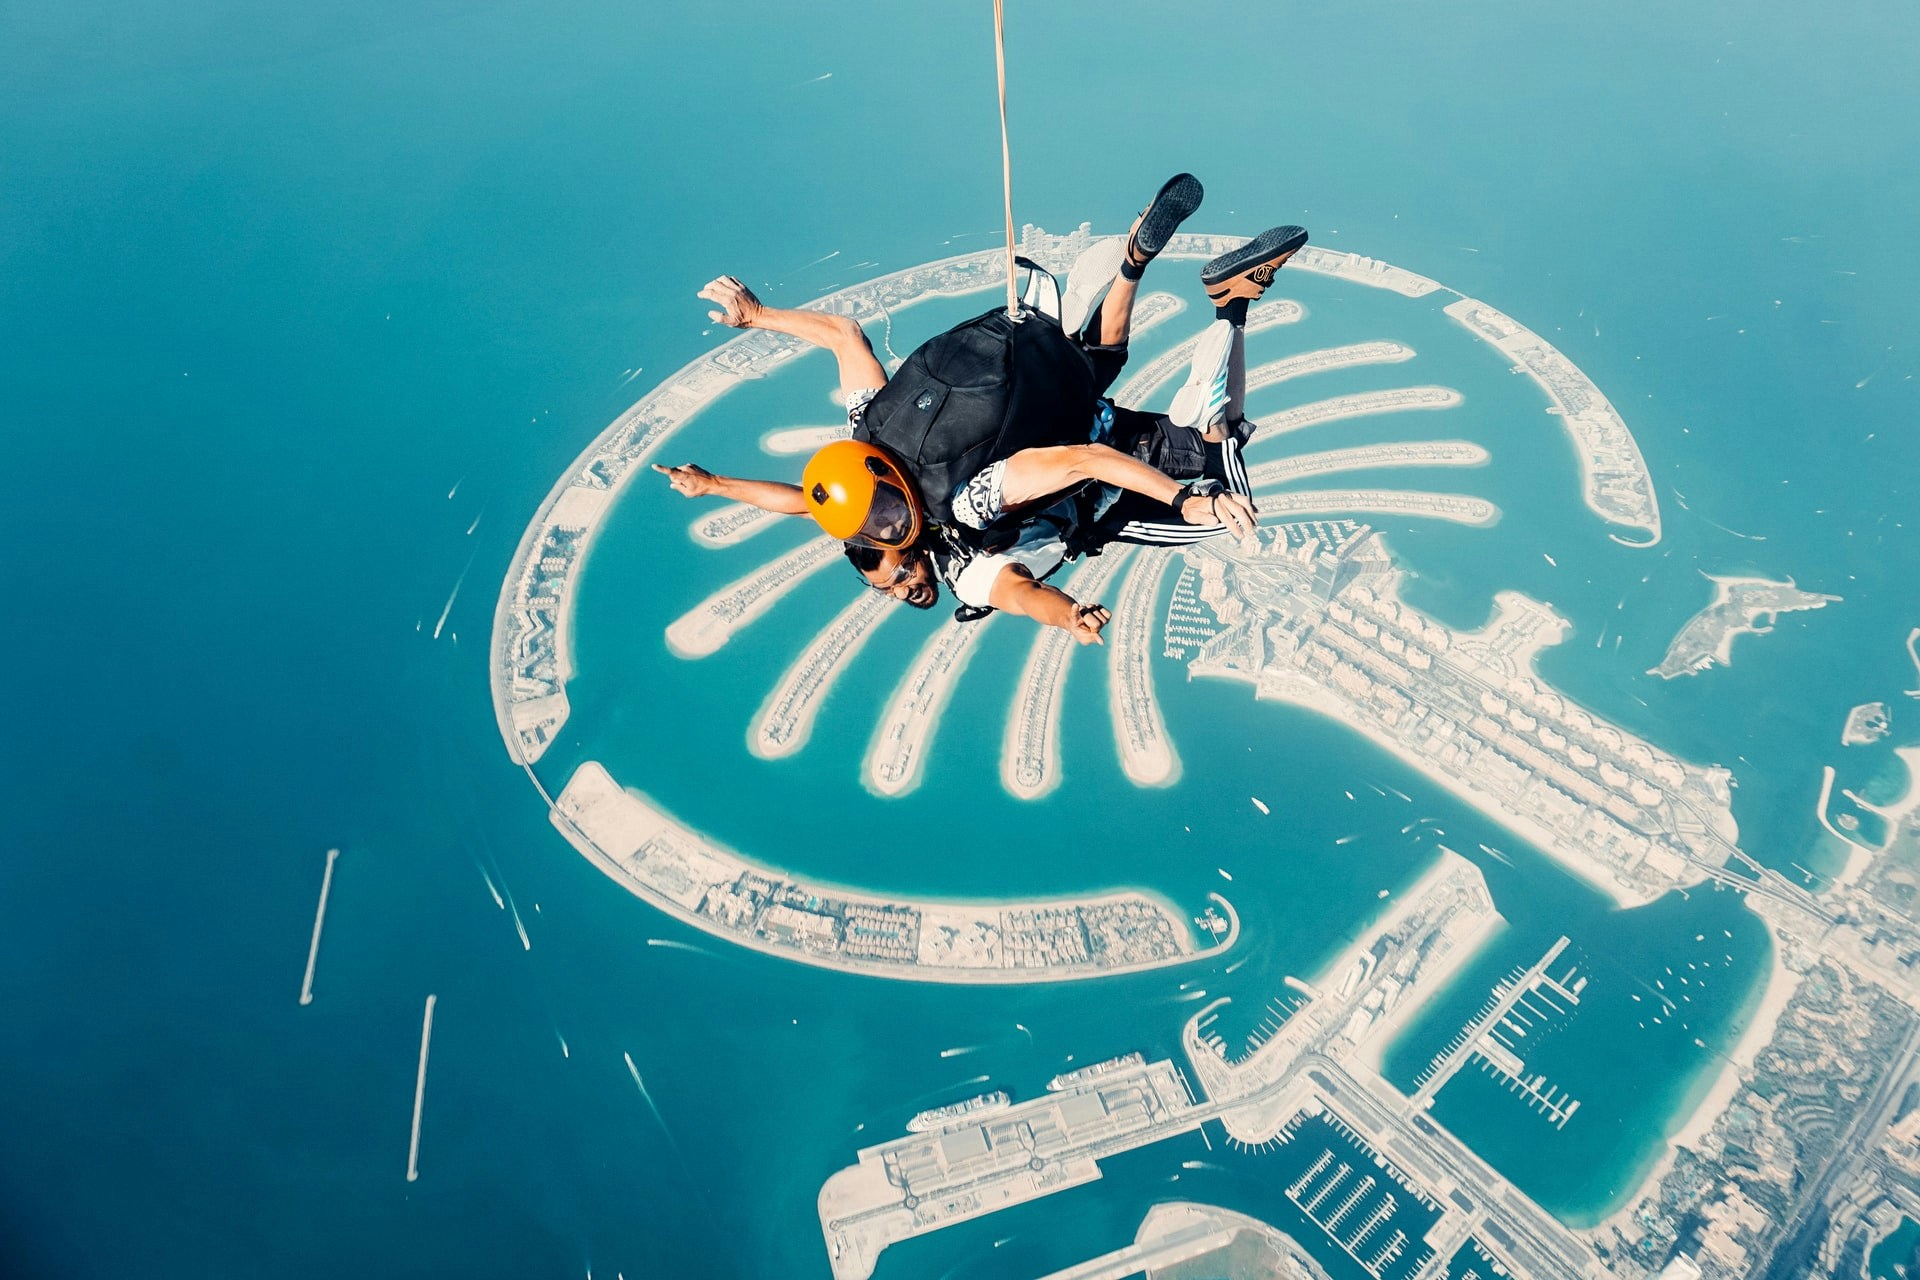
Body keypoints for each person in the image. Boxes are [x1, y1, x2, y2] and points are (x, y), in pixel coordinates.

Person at [656, 176, 1307, 645]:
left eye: (892, 578)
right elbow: (841, 347)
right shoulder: (870, 433)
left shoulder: (962, 528)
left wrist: (1176, 510)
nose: (904, 587)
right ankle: (1133, 265)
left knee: (1225, 473)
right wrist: (758, 322)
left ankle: (1230, 305)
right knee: (1097, 360)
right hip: (1053, 400)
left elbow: (1018, 590)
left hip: (1099, 480)